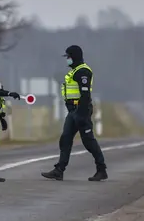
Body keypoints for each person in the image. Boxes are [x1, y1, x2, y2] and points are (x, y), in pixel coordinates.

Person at [41, 45, 108, 181]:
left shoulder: (83, 72)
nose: (67, 60)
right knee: (65, 139)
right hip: (73, 110)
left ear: (74, 56)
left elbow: (85, 94)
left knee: (88, 142)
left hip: (81, 110)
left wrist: (82, 114)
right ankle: (59, 170)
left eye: (68, 57)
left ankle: (101, 169)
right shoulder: (74, 71)